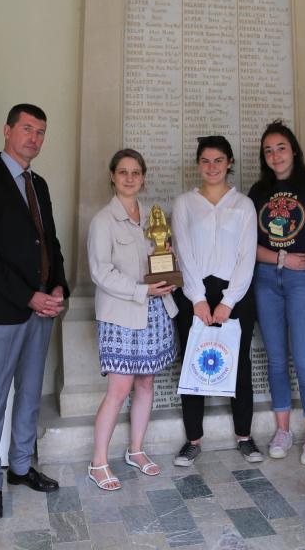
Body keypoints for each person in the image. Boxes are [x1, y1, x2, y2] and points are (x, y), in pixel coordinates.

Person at [0, 103, 70, 520]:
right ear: (7, 130)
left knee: (29, 392)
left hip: (42, 308)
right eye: (27, 129)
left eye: (41, 132)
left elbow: (51, 243)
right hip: (3, 311)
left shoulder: (37, 184)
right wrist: (29, 297)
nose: (34, 138)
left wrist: (58, 285)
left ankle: (20, 467)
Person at [87, 149, 178, 490]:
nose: (129, 177)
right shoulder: (102, 221)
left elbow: (162, 258)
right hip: (121, 313)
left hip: (154, 309)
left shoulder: (153, 217)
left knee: (145, 383)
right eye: (122, 171)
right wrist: (143, 290)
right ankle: (98, 462)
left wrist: (167, 270)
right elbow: (101, 272)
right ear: (112, 176)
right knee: (119, 388)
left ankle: (136, 450)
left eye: (135, 172)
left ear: (143, 177)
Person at [248, 121, 305, 466]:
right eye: (268, 150)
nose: (275, 155)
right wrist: (284, 258)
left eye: (281, 147)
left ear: (294, 150)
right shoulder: (257, 192)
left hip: (304, 284)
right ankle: (283, 429)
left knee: (303, 361)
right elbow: (247, 245)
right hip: (266, 279)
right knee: (275, 358)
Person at [171, 135, 260, 465]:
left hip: (235, 296)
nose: (212, 167)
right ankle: (193, 440)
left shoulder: (243, 205)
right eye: (205, 161)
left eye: (218, 161)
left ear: (229, 163)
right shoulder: (183, 204)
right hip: (193, 295)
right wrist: (196, 298)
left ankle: (245, 437)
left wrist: (228, 301)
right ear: (198, 164)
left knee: (239, 365)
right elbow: (182, 252)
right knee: (193, 363)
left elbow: (246, 256)